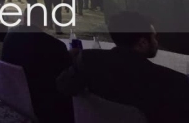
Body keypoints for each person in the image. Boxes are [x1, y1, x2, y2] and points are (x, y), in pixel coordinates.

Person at [57, 11, 189, 122]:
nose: (156, 42)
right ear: (142, 43)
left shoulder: (88, 60)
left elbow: (63, 86)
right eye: (154, 37)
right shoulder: (173, 82)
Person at [2, 6, 73, 123]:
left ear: (24, 18)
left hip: (10, 89)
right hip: (41, 100)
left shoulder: (10, 35)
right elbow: (66, 78)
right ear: (46, 22)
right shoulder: (54, 46)